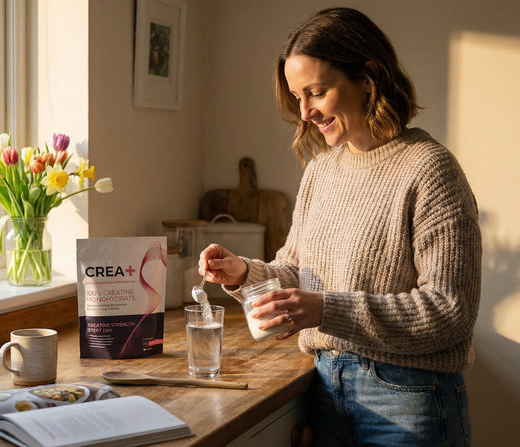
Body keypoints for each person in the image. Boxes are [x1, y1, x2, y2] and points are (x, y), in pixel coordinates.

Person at [198, 7, 481, 446]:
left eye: (316, 91)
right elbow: (296, 274)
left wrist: (327, 309)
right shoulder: (321, 172)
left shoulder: (429, 169)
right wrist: (244, 274)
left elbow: (450, 312)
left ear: (368, 78)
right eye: (297, 97)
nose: (305, 111)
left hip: (407, 400)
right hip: (327, 389)